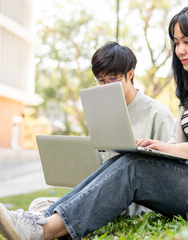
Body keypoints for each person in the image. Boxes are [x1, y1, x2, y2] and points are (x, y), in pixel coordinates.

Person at [0, 3, 188, 240]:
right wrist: (161, 152)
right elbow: (185, 159)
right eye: (176, 42)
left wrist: (166, 149)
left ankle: (45, 231)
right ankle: (40, 219)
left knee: (136, 165)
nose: (180, 50)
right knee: (127, 157)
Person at [26, 41, 175, 217]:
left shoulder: (159, 114)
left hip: (137, 204)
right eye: (101, 81)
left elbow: (168, 178)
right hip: (101, 196)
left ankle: (41, 223)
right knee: (38, 204)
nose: (106, 86)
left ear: (130, 74)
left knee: (49, 214)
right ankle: (41, 221)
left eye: (112, 79)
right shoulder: (102, 114)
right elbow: (96, 168)